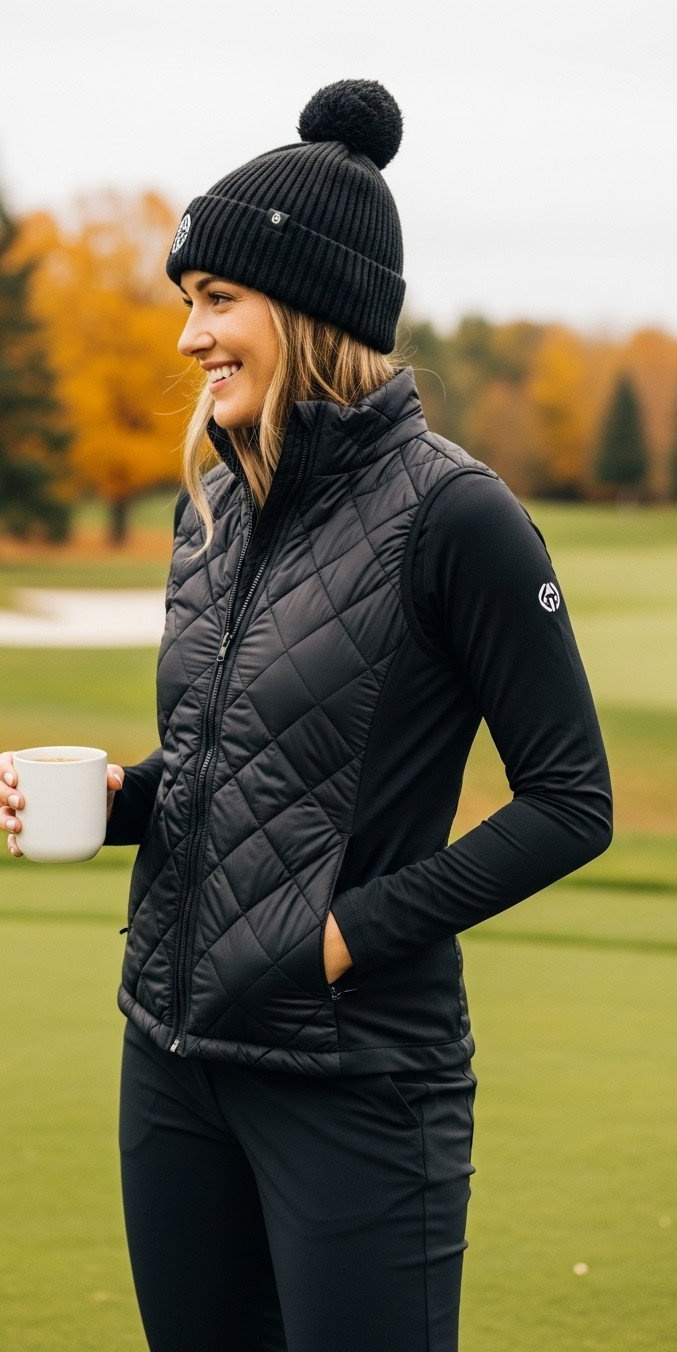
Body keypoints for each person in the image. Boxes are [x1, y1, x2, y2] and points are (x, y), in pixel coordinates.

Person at [0, 78, 612, 1352]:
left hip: (354, 1079)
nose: (189, 338)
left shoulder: (458, 516)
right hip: (171, 1059)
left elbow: (572, 802)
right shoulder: (214, 507)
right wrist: (121, 799)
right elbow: (231, 758)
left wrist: (342, 936)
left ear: (309, 305)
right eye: (187, 302)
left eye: (217, 299)